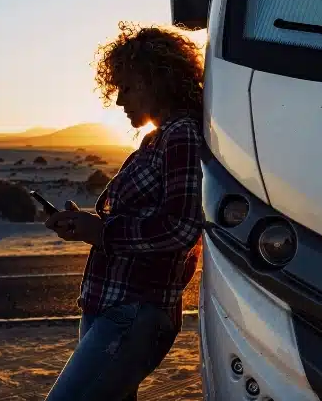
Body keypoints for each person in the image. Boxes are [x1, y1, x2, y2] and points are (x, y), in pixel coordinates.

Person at [43, 21, 204, 401]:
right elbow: (141, 222)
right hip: (110, 305)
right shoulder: (156, 139)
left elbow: (182, 228)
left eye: (128, 87)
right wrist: (86, 225)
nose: (118, 101)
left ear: (159, 81)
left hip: (135, 312)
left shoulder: (182, 134)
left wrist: (100, 233)